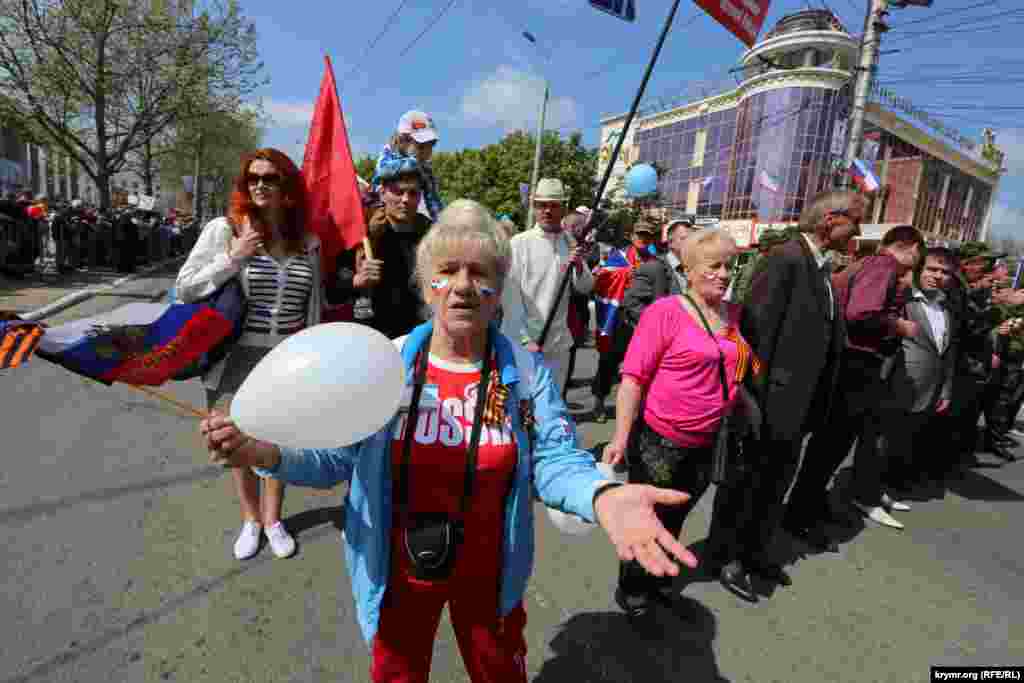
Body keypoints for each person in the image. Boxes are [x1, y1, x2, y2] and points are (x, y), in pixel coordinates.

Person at [199, 199, 699, 682]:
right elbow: (334, 458)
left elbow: (551, 459)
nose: (463, 286)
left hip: (490, 571)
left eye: (480, 273)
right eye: (449, 270)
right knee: (397, 674)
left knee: (499, 671)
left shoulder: (526, 374)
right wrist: (262, 452)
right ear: (427, 284)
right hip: (395, 569)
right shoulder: (383, 364)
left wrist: (601, 494)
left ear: (500, 287)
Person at [603, 227, 759, 618]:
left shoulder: (735, 314)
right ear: (689, 269)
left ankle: (658, 579)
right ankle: (633, 588)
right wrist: (621, 437)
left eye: (730, 266)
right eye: (714, 266)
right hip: (660, 441)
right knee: (647, 518)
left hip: (709, 440)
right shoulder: (666, 312)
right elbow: (633, 378)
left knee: (677, 515)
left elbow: (741, 365)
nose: (724, 274)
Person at [176, 148, 324, 561]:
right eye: (252, 178)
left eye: (270, 177)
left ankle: (274, 518)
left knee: (280, 441)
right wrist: (233, 257)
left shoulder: (307, 241)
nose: (260, 184)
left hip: (288, 359)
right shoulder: (224, 230)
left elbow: (315, 306)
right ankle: (251, 519)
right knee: (237, 443)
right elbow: (185, 287)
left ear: (287, 187)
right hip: (234, 357)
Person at [714, 190, 861, 595]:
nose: (859, 232)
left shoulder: (819, 269)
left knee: (774, 485)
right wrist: (753, 402)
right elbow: (755, 337)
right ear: (831, 220)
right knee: (752, 485)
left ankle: (757, 553)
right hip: (771, 404)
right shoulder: (785, 260)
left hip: (800, 406)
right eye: (856, 222)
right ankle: (732, 559)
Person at [786, 224, 924, 534]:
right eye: (920, 251)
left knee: (829, 445)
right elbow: (861, 312)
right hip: (856, 364)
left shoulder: (872, 265)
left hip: (850, 363)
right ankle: (800, 514)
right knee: (831, 444)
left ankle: (807, 505)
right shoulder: (883, 265)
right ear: (910, 247)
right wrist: (898, 325)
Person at [501, 177, 593, 393]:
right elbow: (509, 296)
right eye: (542, 205)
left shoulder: (570, 243)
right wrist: (525, 339)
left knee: (551, 412)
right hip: (521, 344)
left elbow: (586, 286)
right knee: (518, 409)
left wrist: (579, 265)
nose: (547, 211)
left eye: (553, 205)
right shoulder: (519, 244)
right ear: (534, 208)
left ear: (564, 209)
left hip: (557, 346)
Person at [590, 219, 687, 424]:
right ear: (632, 237)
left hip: (643, 325)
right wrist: (626, 274)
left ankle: (635, 408)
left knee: (640, 368)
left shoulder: (657, 262)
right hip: (619, 322)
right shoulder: (619, 257)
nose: (642, 239)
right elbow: (602, 279)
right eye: (639, 235)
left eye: (647, 236)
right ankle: (599, 400)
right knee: (608, 362)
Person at [884, 247, 960, 495]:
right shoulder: (903, 299)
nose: (938, 276)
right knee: (883, 441)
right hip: (899, 383)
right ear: (919, 269)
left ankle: (892, 486)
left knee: (908, 440)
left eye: (945, 272)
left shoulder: (947, 308)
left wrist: (946, 390)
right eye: (932, 269)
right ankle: (871, 492)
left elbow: (948, 353)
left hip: (931, 388)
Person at [328, 160, 432, 339]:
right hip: (370, 340)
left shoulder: (432, 235)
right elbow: (332, 292)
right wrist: (356, 281)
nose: (406, 200)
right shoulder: (362, 233)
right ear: (383, 193)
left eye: (413, 193)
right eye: (398, 192)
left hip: (417, 339)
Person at [948, 242, 1007, 466]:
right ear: (966, 264)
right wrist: (996, 309)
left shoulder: (977, 288)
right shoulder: (955, 286)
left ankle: (952, 457)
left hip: (975, 364)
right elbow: (969, 326)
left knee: (964, 416)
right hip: (959, 365)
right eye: (986, 263)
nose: (991, 269)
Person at [373, 110, 444, 222]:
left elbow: (433, 199)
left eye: (431, 145)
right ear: (402, 140)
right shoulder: (388, 154)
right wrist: (411, 163)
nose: (427, 152)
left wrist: (441, 222)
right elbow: (382, 170)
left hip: (408, 213)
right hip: (380, 207)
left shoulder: (425, 169)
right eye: (421, 146)